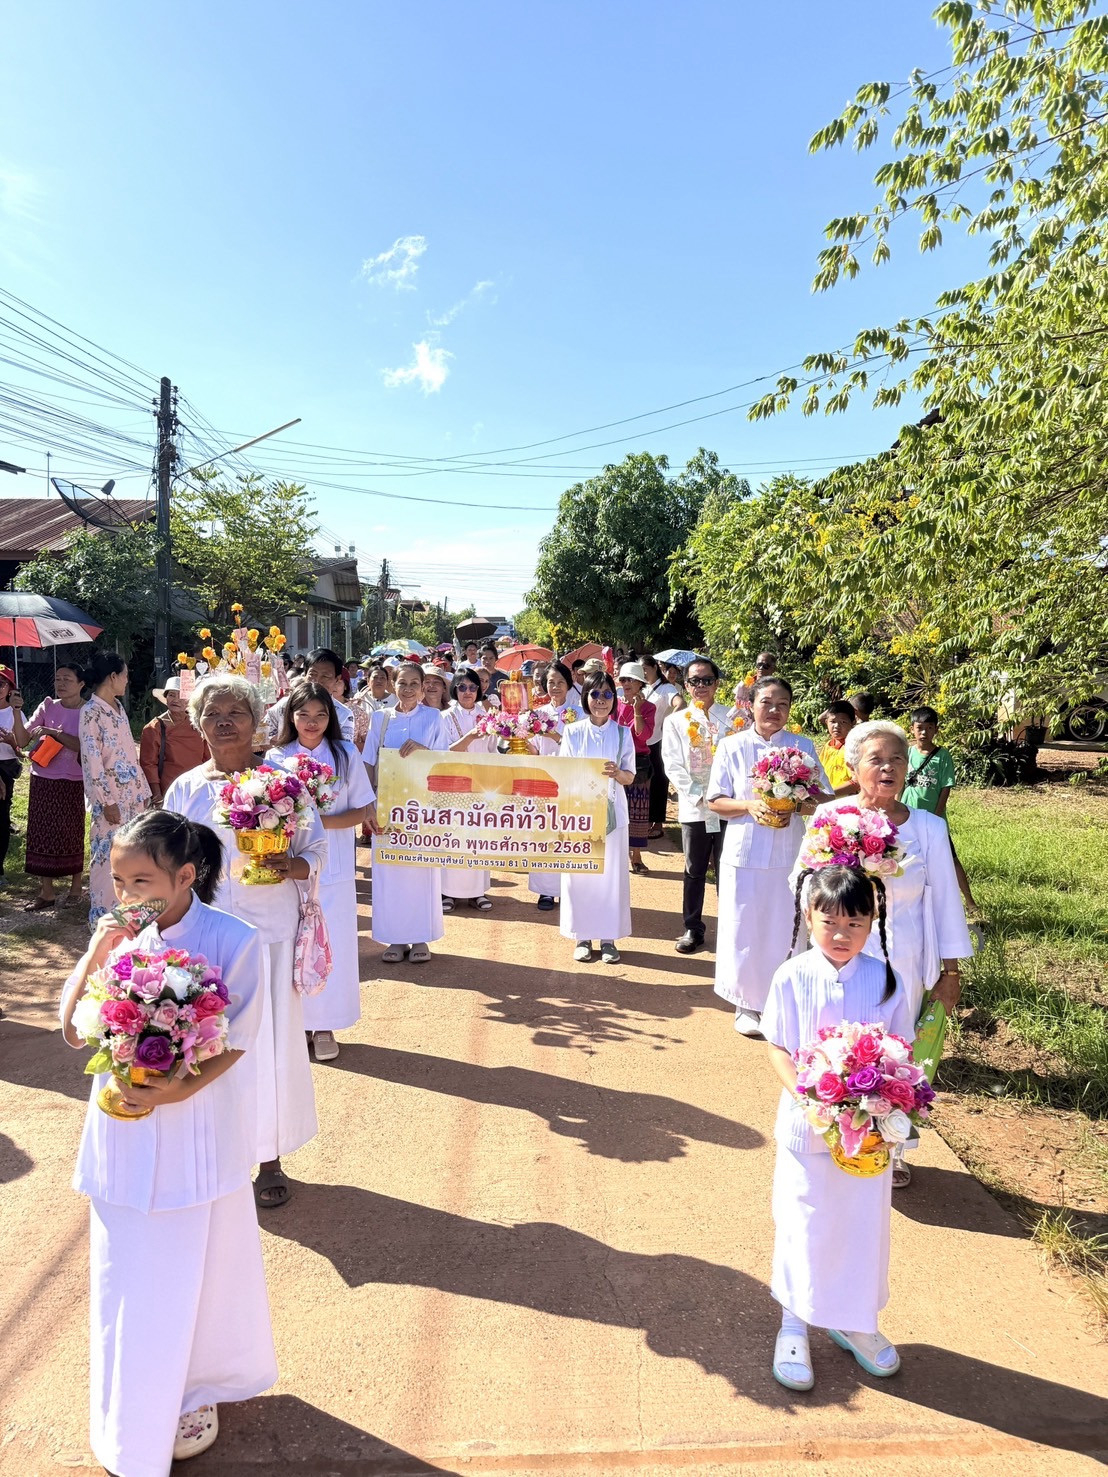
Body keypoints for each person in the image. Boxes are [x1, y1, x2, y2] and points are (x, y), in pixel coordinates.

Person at [59, 810, 275, 1473]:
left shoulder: (236, 938)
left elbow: (238, 1036)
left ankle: (194, 1384)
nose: (128, 897)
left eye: (142, 880)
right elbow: (71, 1030)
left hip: (192, 1130)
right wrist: (98, 952)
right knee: (126, 1266)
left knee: (194, 1265)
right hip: (120, 1128)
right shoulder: (118, 936)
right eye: (119, 881)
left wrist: (174, 1092)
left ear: (186, 874)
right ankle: (132, 1399)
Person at [165, 674, 324, 1210]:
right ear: (199, 724)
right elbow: (164, 864)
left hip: (268, 936)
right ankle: (212, 1155)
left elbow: (317, 848)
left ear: (258, 724)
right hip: (203, 941)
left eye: (237, 711)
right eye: (214, 713)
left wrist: (294, 864)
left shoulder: (285, 781)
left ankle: (268, 1155)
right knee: (205, 1043)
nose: (225, 721)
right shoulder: (185, 790)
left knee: (265, 1045)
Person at [763, 866, 914, 1393]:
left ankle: (855, 1322)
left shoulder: (884, 978)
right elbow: (778, 1046)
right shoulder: (791, 975)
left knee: (860, 1226)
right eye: (829, 921)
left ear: (873, 922)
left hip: (868, 1133)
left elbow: (902, 1051)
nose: (841, 933)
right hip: (809, 1128)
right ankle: (793, 1324)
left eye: (855, 921)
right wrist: (809, 1097)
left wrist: (884, 1098)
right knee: (804, 1220)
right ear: (808, 918)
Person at [804, 720, 973, 1186]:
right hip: (839, 960)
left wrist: (951, 972)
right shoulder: (830, 817)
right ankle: (835, 1130)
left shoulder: (928, 827)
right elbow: (802, 887)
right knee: (838, 1047)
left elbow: (944, 902)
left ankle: (892, 1145)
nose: (888, 768)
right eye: (876, 759)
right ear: (854, 767)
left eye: (897, 759)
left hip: (906, 962)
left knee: (898, 1054)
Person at [707, 677, 830, 1037]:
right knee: (743, 925)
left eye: (782, 704)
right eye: (766, 702)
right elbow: (715, 801)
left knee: (787, 927)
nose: (774, 711)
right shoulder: (731, 746)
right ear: (751, 704)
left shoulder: (802, 746)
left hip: (790, 852)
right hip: (744, 851)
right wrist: (748, 804)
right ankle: (745, 1003)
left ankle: (785, 1002)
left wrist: (800, 802)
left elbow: (823, 796)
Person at [267, 680, 376, 1062]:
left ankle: (327, 1023)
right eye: (303, 714)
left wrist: (317, 822)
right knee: (292, 942)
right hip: (290, 866)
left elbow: (363, 809)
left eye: (320, 715)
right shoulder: (275, 759)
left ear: (330, 718)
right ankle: (298, 1024)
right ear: (290, 717)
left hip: (335, 866)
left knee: (333, 944)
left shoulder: (345, 754)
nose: (311, 722)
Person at [362, 663, 450, 962]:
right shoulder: (380, 718)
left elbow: (444, 761)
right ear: (392, 685)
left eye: (415, 683)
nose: (409, 689)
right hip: (387, 806)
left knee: (421, 870)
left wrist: (424, 750)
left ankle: (421, 938)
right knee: (390, 872)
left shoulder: (433, 717)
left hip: (423, 807)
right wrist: (368, 801)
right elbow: (369, 762)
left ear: (424, 686)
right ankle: (395, 939)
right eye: (403, 683)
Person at [559, 671, 635, 964]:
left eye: (607, 695)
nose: (601, 701)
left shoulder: (622, 733)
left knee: (610, 877)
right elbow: (564, 773)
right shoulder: (573, 732)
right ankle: (582, 936)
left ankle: (608, 938)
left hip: (613, 815)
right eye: (595, 694)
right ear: (585, 698)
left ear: (614, 699)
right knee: (581, 876)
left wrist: (617, 773)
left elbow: (630, 776)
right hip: (579, 814)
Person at [661, 658, 737, 953]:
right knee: (694, 869)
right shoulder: (675, 721)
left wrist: (726, 798)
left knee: (728, 868)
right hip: (695, 807)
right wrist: (699, 796)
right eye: (694, 681)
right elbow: (672, 764)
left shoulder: (733, 719)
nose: (701, 686)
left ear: (717, 683)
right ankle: (693, 927)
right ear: (685, 685)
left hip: (729, 807)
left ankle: (731, 928)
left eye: (707, 680)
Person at [80, 652, 151, 927]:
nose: (127, 680)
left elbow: (128, 754)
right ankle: (103, 919)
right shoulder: (90, 712)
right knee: (106, 857)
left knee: (132, 855)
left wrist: (142, 791)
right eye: (125, 675)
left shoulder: (118, 709)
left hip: (132, 795)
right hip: (110, 798)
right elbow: (92, 761)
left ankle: (129, 916)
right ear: (113, 677)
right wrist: (105, 800)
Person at [903, 705, 981, 915]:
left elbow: (946, 787)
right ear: (912, 729)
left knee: (950, 859)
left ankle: (970, 901)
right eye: (919, 728)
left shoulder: (942, 756)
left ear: (936, 730)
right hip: (908, 817)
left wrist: (936, 816)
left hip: (933, 818)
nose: (924, 733)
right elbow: (900, 784)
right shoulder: (907, 753)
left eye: (929, 728)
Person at [22, 660, 86, 910]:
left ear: (81, 684)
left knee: (71, 832)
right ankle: (46, 892)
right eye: (58, 678)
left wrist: (54, 733)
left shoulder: (88, 711)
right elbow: (24, 736)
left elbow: (84, 746)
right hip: (43, 777)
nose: (60, 683)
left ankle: (76, 886)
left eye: (67, 679)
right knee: (41, 833)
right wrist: (17, 711)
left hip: (74, 779)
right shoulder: (47, 705)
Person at [139, 677, 209, 806]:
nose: (176, 700)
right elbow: (148, 764)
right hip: (169, 788)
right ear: (166, 698)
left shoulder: (198, 725)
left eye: (181, 696)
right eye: (171, 695)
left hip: (198, 786)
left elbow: (207, 758)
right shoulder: (154, 728)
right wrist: (157, 794)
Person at [264, 648, 354, 744]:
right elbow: (264, 738)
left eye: (325, 676)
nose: (317, 681)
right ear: (305, 674)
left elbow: (344, 750)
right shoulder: (284, 706)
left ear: (337, 679)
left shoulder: (344, 714)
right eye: (313, 674)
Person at [616, 662, 655, 872]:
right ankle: (616, 856)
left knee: (638, 813)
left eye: (631, 679)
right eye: (623, 679)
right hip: (616, 762)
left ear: (640, 683)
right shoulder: (612, 704)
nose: (626, 683)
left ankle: (636, 856)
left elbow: (643, 735)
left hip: (638, 764)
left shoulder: (649, 707)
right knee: (614, 808)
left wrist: (637, 710)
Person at [642, 655, 680, 838]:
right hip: (641, 741)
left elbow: (680, 704)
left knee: (659, 782)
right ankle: (645, 820)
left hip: (658, 740)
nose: (642, 673)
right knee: (643, 782)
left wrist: (669, 723)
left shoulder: (666, 688)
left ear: (655, 667)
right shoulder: (642, 687)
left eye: (645, 669)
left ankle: (657, 823)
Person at [0, 664, 28, 886]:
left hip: (6, 768)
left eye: (1, 684)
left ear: (10, 688)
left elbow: (24, 750)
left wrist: (12, 742)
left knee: (1, 820)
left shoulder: (15, 713)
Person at [818, 700, 858, 797]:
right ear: (826, 722)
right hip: (826, 798)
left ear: (853, 723)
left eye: (843, 722)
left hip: (845, 800)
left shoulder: (854, 748)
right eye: (833, 721)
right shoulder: (828, 745)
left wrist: (830, 794)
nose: (837, 726)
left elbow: (857, 783)